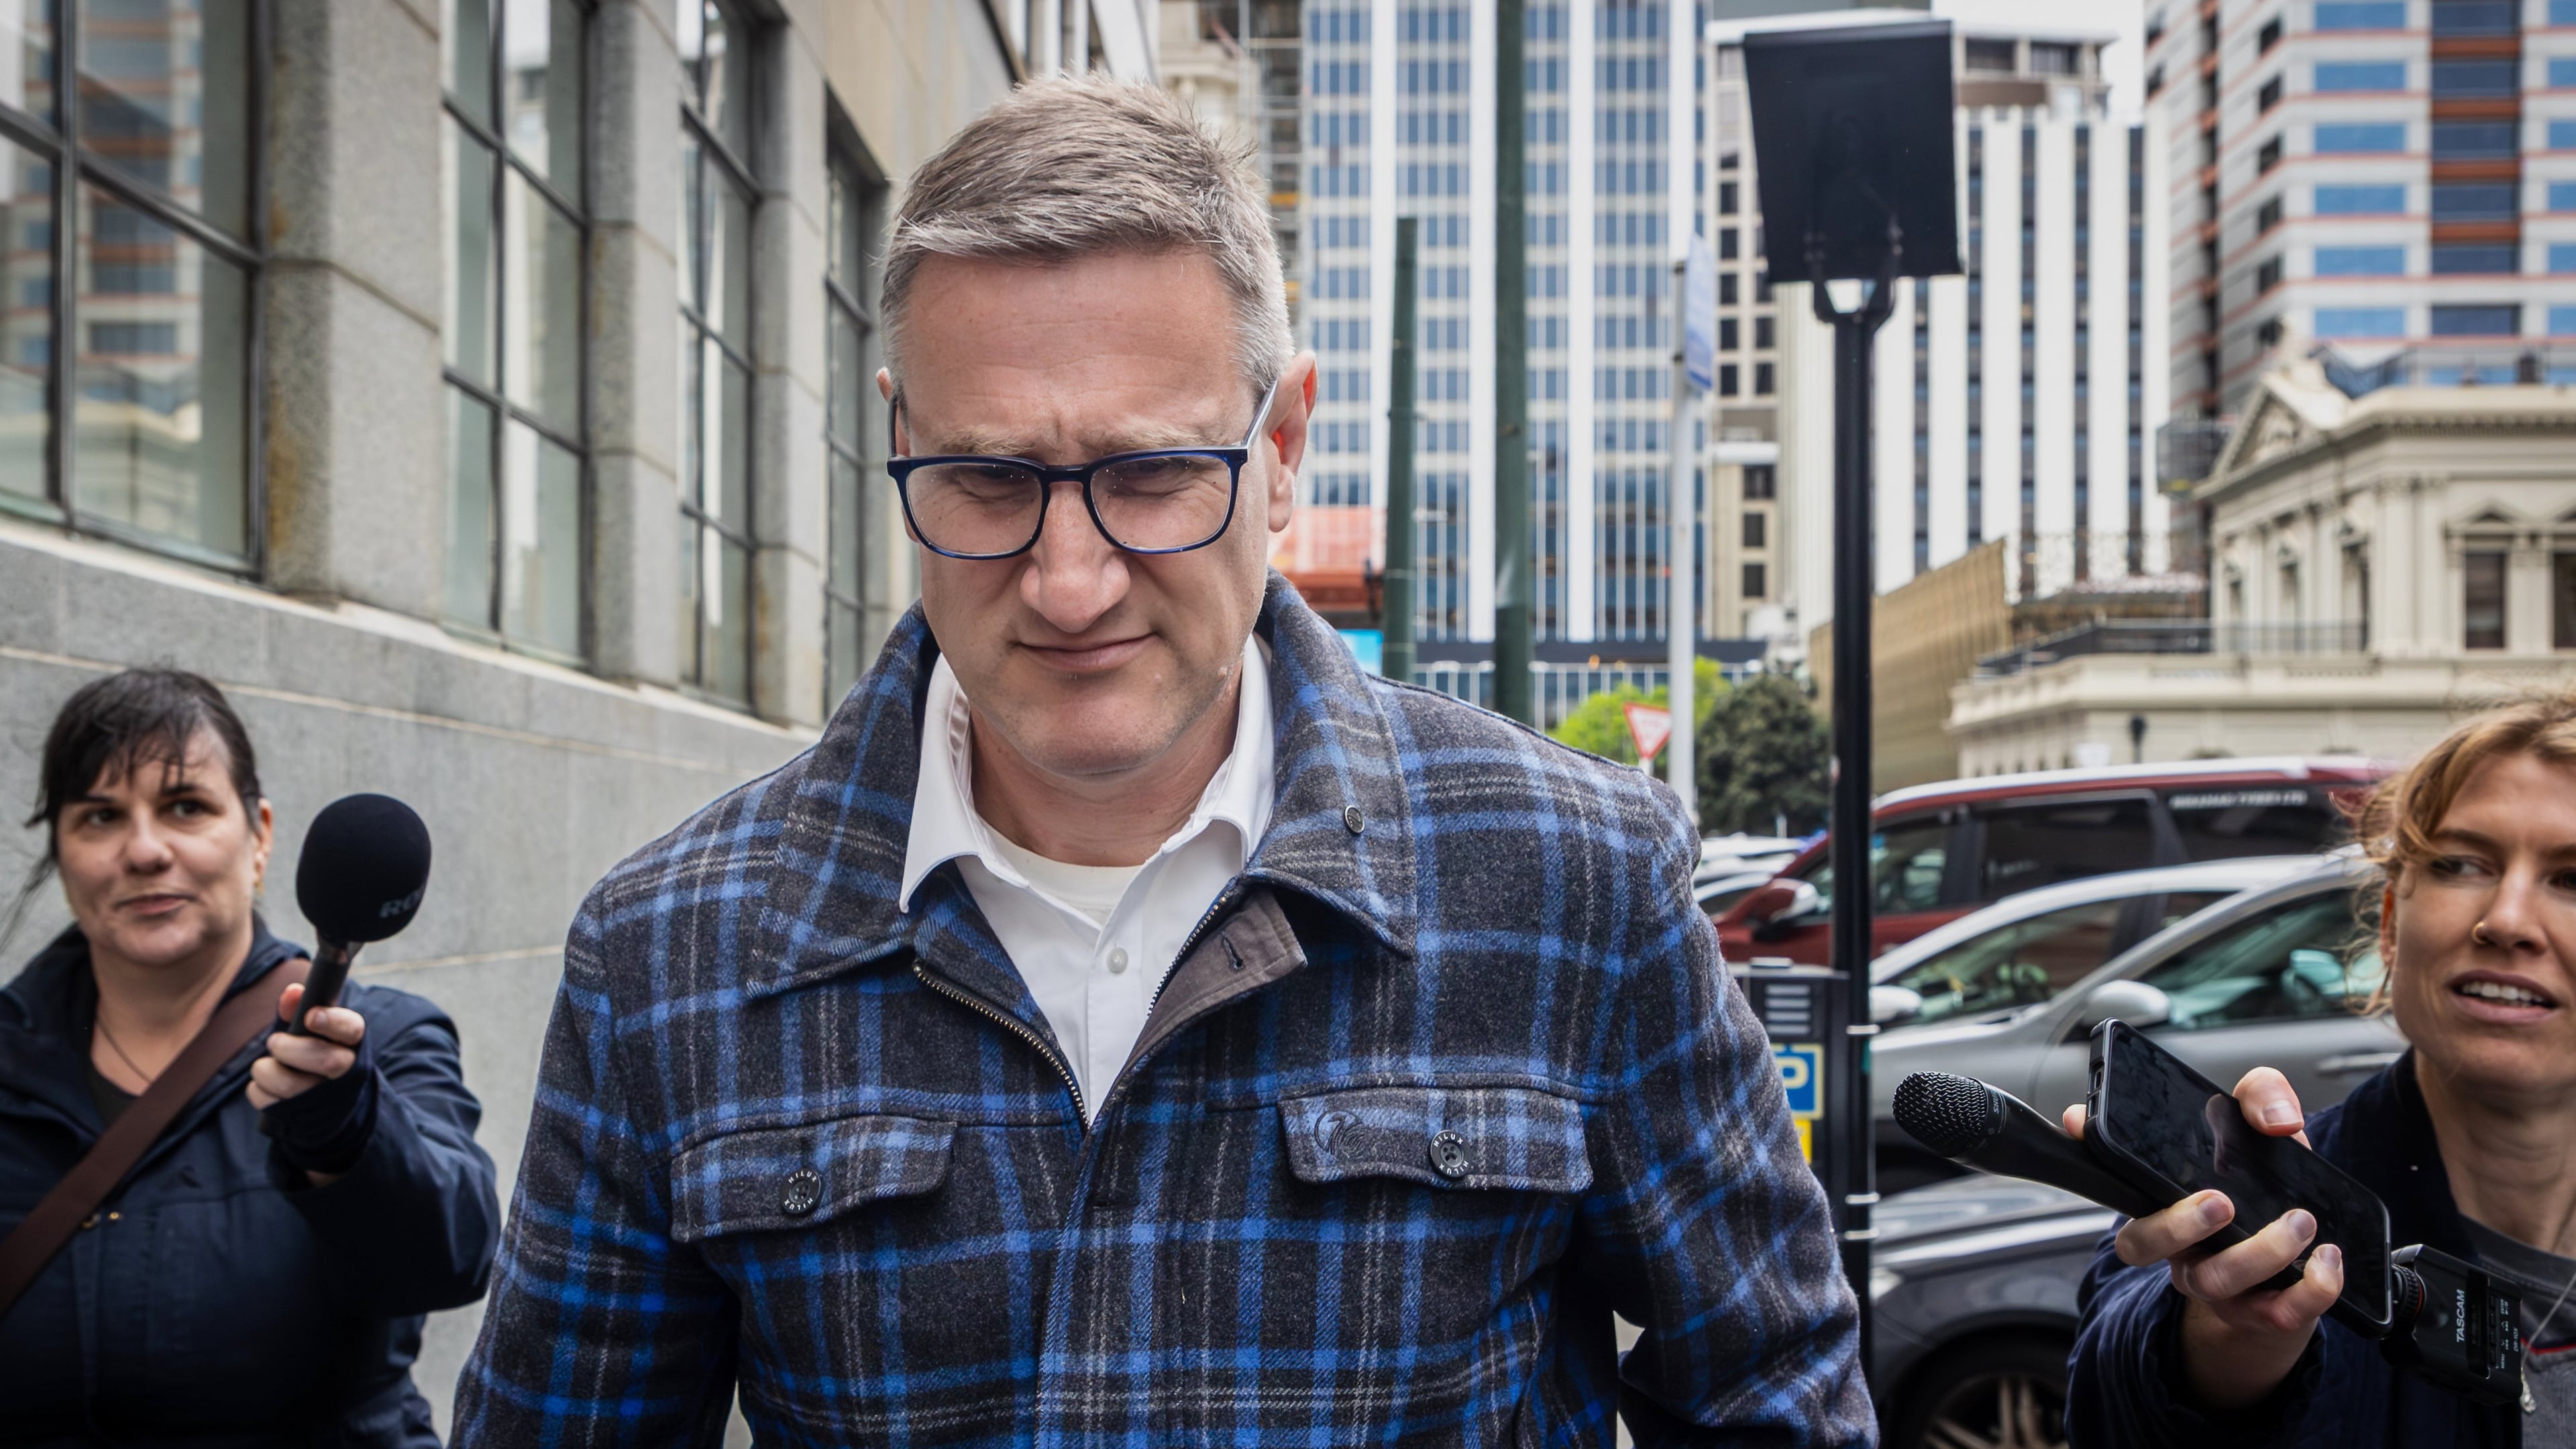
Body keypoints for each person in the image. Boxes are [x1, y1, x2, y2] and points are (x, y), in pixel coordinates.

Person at [455, 78, 1866, 1445]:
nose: (1072, 584)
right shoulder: (668, 959)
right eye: (990, 480)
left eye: (1149, 478)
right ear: (899, 439)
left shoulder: (1573, 885)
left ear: (1284, 446)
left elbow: (1771, 1390)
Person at [0, 669, 500, 1446]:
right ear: (62, 853)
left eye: (185, 808)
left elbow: (452, 1260)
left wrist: (351, 1134)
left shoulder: (385, 1037)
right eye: (100, 816)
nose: (144, 850)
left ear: (259, 835)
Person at [2063, 692, 2576, 1446]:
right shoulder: (2254, 1200)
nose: (2503, 920)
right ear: (2394, 925)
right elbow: (2118, 1392)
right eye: (2461, 863)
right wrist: (2224, 1338)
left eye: (2571, 879)